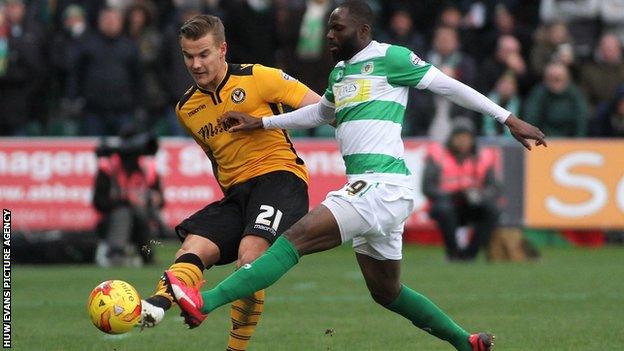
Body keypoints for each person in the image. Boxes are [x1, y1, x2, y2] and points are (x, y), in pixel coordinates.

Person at [164, 2, 546, 350]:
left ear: (363, 31)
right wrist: (261, 122)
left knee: (293, 239)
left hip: (381, 186)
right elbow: (322, 114)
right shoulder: (340, 74)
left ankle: (205, 301)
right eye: (329, 28)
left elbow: (449, 86)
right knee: (386, 291)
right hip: (371, 191)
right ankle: (466, 343)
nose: (329, 35)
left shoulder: (390, 58)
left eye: (338, 28)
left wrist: (507, 118)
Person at [138, 14, 321, 351]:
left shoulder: (259, 78)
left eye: (204, 54)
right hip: (238, 194)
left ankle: (229, 343)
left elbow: (325, 109)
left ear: (222, 50)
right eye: (188, 56)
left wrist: (263, 122)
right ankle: (162, 302)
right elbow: (216, 157)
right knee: (194, 247)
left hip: (280, 178)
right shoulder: (186, 108)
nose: (195, 64)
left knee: (249, 258)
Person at [422, 118, 500, 261]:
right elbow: (427, 187)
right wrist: (452, 195)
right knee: (444, 210)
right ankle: (453, 253)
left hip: (472, 203)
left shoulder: (484, 156)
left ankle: (470, 254)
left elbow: (494, 188)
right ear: (451, 138)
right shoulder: (437, 154)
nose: (463, 141)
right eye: (459, 137)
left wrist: (479, 195)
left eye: (467, 138)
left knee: (492, 210)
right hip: (447, 203)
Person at [92, 126, 163, 267]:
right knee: (124, 212)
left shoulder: (148, 169)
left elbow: (160, 202)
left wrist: (151, 200)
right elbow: (98, 202)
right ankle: (115, 254)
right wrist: (123, 200)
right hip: (112, 223)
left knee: (140, 214)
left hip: (143, 221)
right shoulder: (109, 168)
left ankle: (147, 255)